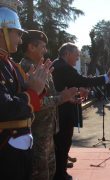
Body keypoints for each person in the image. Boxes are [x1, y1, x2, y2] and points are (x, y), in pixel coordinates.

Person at [0, 1, 53, 179]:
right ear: (2, 31)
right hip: (5, 149)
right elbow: (4, 107)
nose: (21, 40)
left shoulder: (10, 64)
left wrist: (35, 86)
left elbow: (28, 94)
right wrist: (31, 92)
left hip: (20, 147)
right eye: (17, 33)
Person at [52, 42, 110, 180]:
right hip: (62, 112)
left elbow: (68, 85)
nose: (77, 59)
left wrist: (76, 92)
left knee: (62, 142)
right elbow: (83, 80)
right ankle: (60, 174)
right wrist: (106, 76)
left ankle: (61, 166)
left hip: (61, 109)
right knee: (63, 141)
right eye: (76, 56)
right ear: (67, 53)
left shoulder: (59, 64)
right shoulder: (64, 67)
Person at [19, 30, 78, 180]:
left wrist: (67, 97)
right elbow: (34, 102)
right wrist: (61, 99)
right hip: (37, 132)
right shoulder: (26, 68)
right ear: (31, 47)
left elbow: (49, 94)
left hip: (48, 131)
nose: (45, 50)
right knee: (40, 173)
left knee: (50, 171)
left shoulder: (41, 66)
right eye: (42, 47)